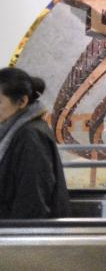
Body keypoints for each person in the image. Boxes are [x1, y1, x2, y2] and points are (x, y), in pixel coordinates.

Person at [0, 67, 69, 218]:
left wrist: (14, 239)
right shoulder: (14, 132)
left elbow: (33, 199)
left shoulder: (30, 136)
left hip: (21, 234)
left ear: (22, 101)